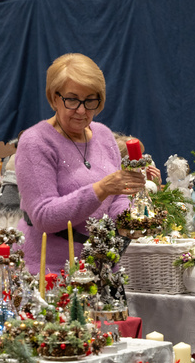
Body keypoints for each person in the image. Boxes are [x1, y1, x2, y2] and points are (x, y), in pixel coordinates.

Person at [14, 53, 145, 273]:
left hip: (101, 267)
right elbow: (44, 217)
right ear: (54, 98)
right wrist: (101, 189)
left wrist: (128, 221)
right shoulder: (35, 142)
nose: (82, 110)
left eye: (90, 100)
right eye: (72, 99)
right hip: (50, 273)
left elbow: (119, 197)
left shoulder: (103, 135)